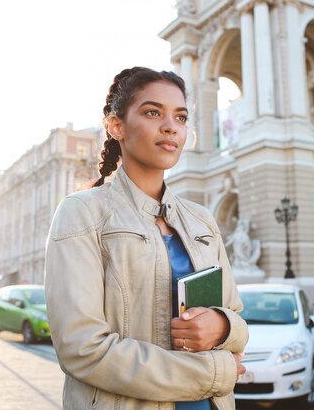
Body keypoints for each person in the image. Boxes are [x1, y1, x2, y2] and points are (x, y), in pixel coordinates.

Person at [45, 67, 248, 410]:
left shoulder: (202, 220)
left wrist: (223, 326)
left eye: (180, 117)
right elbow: (82, 349)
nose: (171, 126)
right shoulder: (81, 213)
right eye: (153, 112)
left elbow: (237, 317)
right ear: (116, 126)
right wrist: (212, 373)